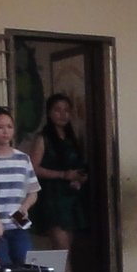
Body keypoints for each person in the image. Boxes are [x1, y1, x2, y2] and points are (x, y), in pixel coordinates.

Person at [26, 91, 89, 263]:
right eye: (57, 110)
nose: (62, 114)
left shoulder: (73, 137)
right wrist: (62, 175)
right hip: (51, 197)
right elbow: (33, 168)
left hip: (70, 197)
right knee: (61, 247)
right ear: (49, 113)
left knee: (67, 249)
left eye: (66, 110)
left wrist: (80, 176)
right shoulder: (42, 138)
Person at [0, 108, 38, 270]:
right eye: (0, 127)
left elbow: (33, 191)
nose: (5, 131)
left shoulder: (23, 158)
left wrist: (24, 208)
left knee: (26, 269)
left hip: (19, 223)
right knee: (1, 270)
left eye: (9, 127)